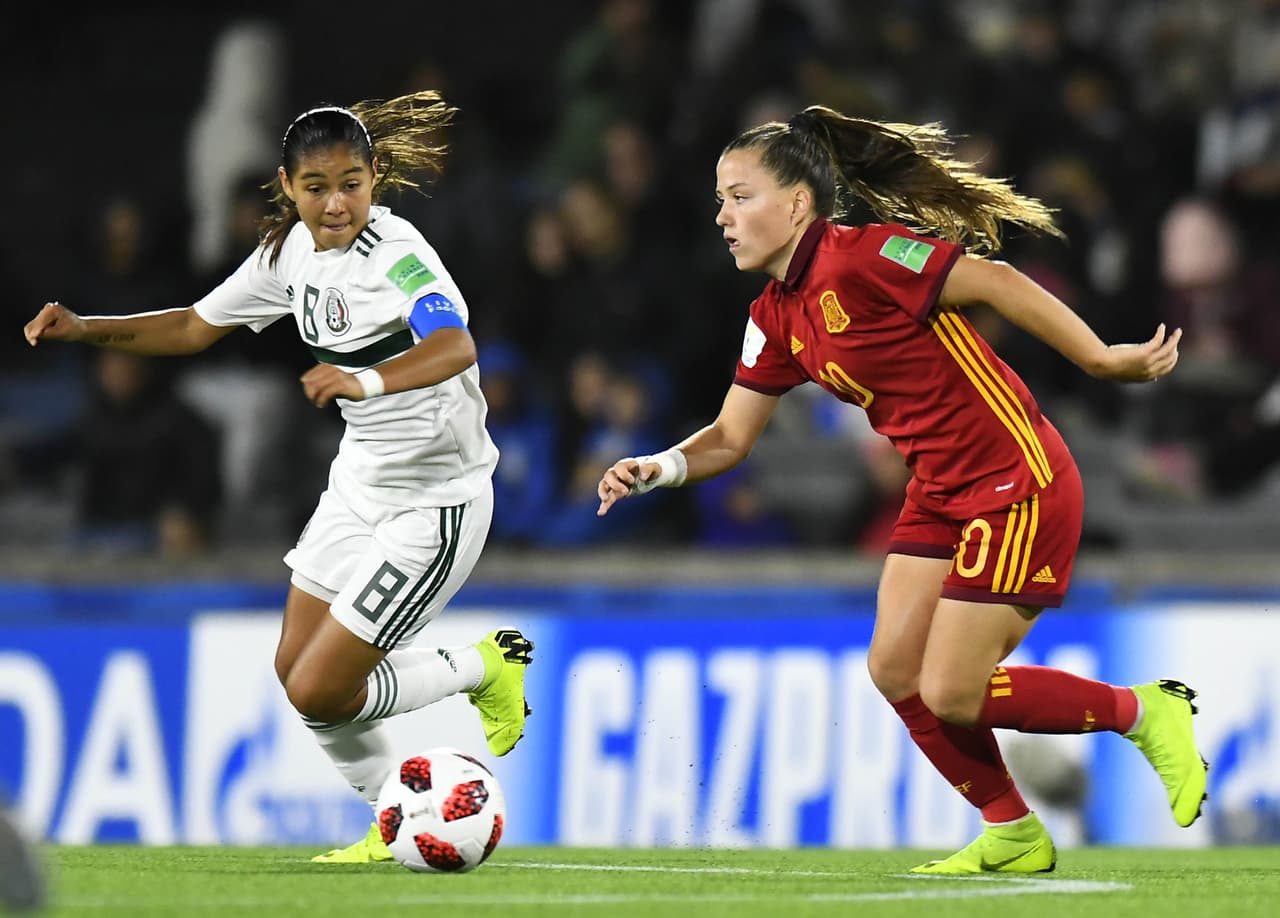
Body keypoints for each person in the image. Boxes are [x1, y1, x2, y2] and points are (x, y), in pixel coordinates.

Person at [596, 104, 1206, 873]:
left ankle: (1146, 710)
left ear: (796, 204)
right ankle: (1012, 829)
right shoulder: (774, 315)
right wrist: (663, 465)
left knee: (951, 691)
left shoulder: (864, 256)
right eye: (720, 198)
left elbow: (997, 279)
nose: (723, 215)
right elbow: (729, 436)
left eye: (740, 196)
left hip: (1015, 480)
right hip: (941, 491)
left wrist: (1098, 359)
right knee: (893, 669)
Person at [22, 91, 534, 864]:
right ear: (288, 187)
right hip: (361, 480)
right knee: (294, 670)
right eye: (319, 186)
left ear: (375, 179)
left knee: (321, 690)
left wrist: (360, 382)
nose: (337, 203)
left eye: (353, 183)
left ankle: (483, 666)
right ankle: (390, 818)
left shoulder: (398, 255)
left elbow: (456, 347)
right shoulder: (286, 253)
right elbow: (196, 325)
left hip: (436, 500)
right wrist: (88, 328)